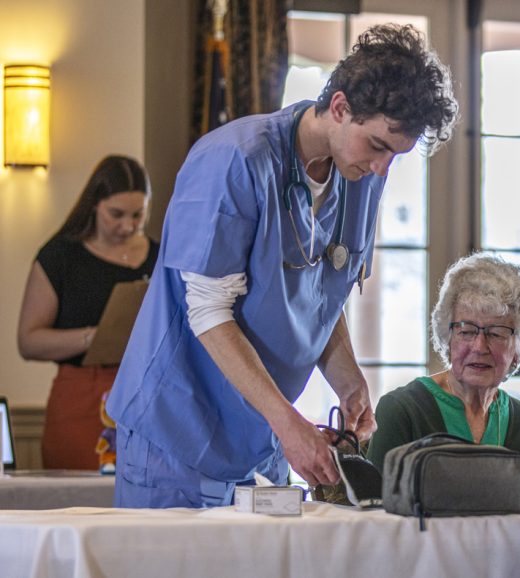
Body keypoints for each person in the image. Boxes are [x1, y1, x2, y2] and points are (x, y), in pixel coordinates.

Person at [106, 24, 458, 508]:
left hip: (261, 435)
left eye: (396, 156)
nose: (383, 169)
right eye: (378, 146)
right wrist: (287, 423)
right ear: (340, 108)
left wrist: (348, 380)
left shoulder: (360, 175)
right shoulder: (234, 160)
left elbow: (321, 292)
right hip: (176, 432)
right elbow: (207, 311)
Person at [17, 155, 158, 470]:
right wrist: (97, 337)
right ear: (94, 205)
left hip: (146, 394)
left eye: (138, 215)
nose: (128, 226)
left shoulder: (159, 255)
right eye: (116, 214)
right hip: (82, 395)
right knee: (79, 493)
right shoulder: (60, 257)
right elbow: (28, 341)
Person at [367, 253, 520, 472]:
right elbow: (372, 495)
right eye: (466, 331)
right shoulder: (402, 411)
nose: (479, 347)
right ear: (447, 339)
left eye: (496, 333)